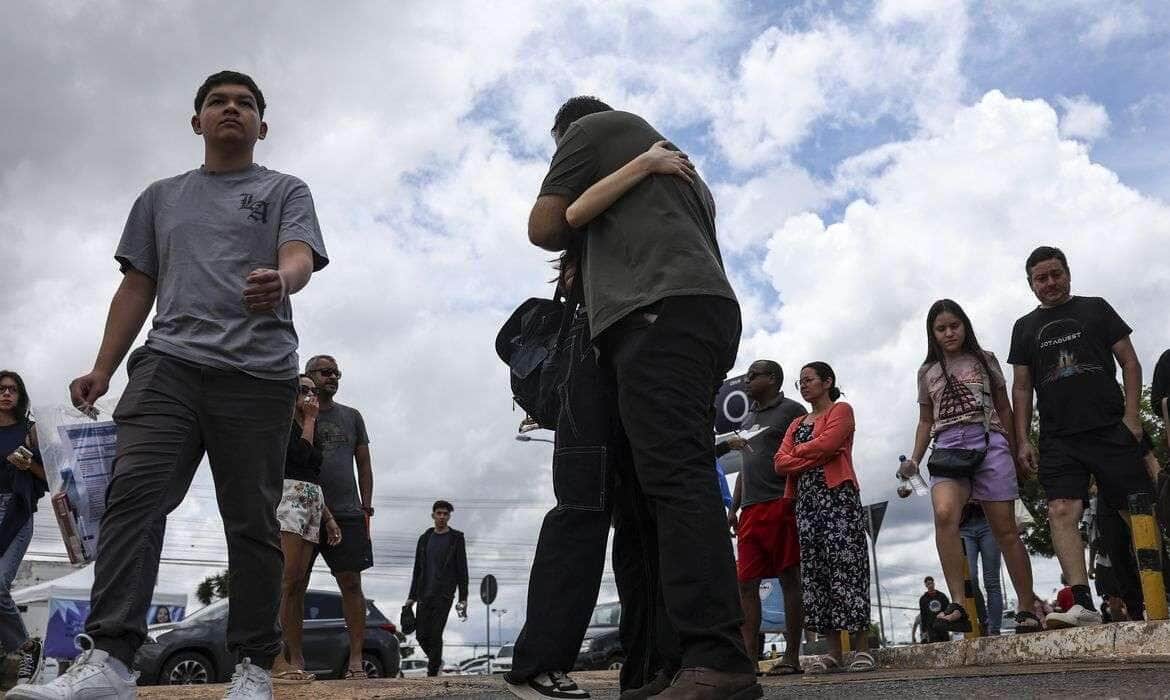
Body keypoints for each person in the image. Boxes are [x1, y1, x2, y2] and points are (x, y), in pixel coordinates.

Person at [15, 70, 328, 700]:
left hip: (260, 374)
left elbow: (299, 252)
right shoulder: (160, 197)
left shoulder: (284, 189)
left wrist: (285, 280)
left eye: (244, 104)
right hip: (168, 366)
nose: (230, 110)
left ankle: (251, 667)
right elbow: (137, 285)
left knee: (252, 522)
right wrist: (102, 366)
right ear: (198, 123)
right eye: (217, 102)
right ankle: (111, 658)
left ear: (262, 126)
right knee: (135, 496)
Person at [527, 96, 758, 700]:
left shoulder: (592, 130)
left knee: (675, 481)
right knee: (642, 498)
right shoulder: (685, 177)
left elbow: (543, 226)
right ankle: (659, 665)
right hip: (683, 317)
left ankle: (718, 657)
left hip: (656, 317)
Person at [1009, 246, 1150, 629]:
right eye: (1042, 278)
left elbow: (1131, 362)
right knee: (1060, 512)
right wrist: (1022, 439)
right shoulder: (1024, 328)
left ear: (1068, 274)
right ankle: (1083, 603)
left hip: (1109, 428)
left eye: (1056, 274)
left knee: (1133, 513)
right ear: (1031, 284)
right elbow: (1021, 388)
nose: (1050, 283)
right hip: (1059, 438)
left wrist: (1132, 417)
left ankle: (1157, 592)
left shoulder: (1096, 308)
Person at [902, 299, 1040, 634]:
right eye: (941, 328)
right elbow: (924, 420)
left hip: (988, 440)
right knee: (945, 513)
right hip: (947, 447)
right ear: (932, 334)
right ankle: (959, 604)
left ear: (964, 326)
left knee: (1005, 529)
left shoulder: (984, 360)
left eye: (954, 326)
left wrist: (1017, 446)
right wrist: (915, 458)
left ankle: (1026, 607)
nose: (949, 333)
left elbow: (1005, 408)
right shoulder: (927, 372)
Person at [774, 362, 875, 672]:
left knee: (848, 567)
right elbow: (779, 462)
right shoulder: (797, 422)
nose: (803, 385)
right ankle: (832, 652)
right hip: (806, 504)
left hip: (838, 499)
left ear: (827, 381)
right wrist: (813, 454)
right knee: (817, 574)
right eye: (800, 382)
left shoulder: (841, 410)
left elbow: (831, 445)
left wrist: (799, 454)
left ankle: (861, 649)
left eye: (809, 380)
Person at [724, 360, 807, 676]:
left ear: (772, 379)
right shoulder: (748, 417)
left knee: (789, 579)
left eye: (752, 376)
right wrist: (734, 508)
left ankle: (792, 656)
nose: (746, 381)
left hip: (781, 503)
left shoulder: (792, 411)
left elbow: (804, 456)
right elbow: (746, 467)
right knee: (746, 584)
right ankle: (748, 660)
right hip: (750, 511)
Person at [303, 354, 374, 679]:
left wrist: (366, 508)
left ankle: (356, 661)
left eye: (336, 373)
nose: (333, 377)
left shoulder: (352, 416)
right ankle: (291, 661)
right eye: (325, 372)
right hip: (303, 510)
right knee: (292, 583)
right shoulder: (296, 414)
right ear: (308, 376)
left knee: (351, 583)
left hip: (347, 512)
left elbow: (364, 465)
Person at [271, 375, 342, 682]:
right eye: (304, 390)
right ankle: (274, 657)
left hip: (312, 503)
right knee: (284, 582)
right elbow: (297, 457)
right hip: (288, 501)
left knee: (299, 585)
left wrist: (328, 517)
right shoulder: (283, 424)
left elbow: (312, 473)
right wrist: (310, 420)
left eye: (314, 391)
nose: (311, 395)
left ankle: (295, 657)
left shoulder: (309, 427)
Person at [0, 371, 49, 683]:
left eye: (12, 389)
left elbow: (53, 475)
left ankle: (25, 649)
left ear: (20, 396)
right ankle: (28, 646)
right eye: (1, 389)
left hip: (15, 513)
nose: (6, 394)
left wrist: (27, 465)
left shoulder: (30, 431)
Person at [406, 501, 469, 678]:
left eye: (445, 514)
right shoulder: (424, 539)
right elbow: (417, 569)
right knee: (421, 635)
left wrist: (463, 598)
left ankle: (432, 672)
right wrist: (411, 597)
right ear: (433, 515)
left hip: (444, 594)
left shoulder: (456, 539)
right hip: (424, 593)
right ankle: (437, 660)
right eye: (439, 513)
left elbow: (462, 569)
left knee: (435, 633)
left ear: (449, 517)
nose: (442, 517)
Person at [959, 504, 1003, 634]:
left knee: (992, 581)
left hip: (988, 521)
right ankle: (984, 621)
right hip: (964, 525)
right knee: (970, 577)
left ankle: (994, 630)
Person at [917, 577, 949, 643]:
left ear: (934, 583)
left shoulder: (942, 596)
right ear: (926, 585)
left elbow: (948, 609)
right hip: (931, 627)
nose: (930, 585)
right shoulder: (923, 599)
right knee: (935, 645)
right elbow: (923, 615)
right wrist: (924, 630)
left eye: (931, 583)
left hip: (942, 625)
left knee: (946, 644)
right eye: (928, 584)